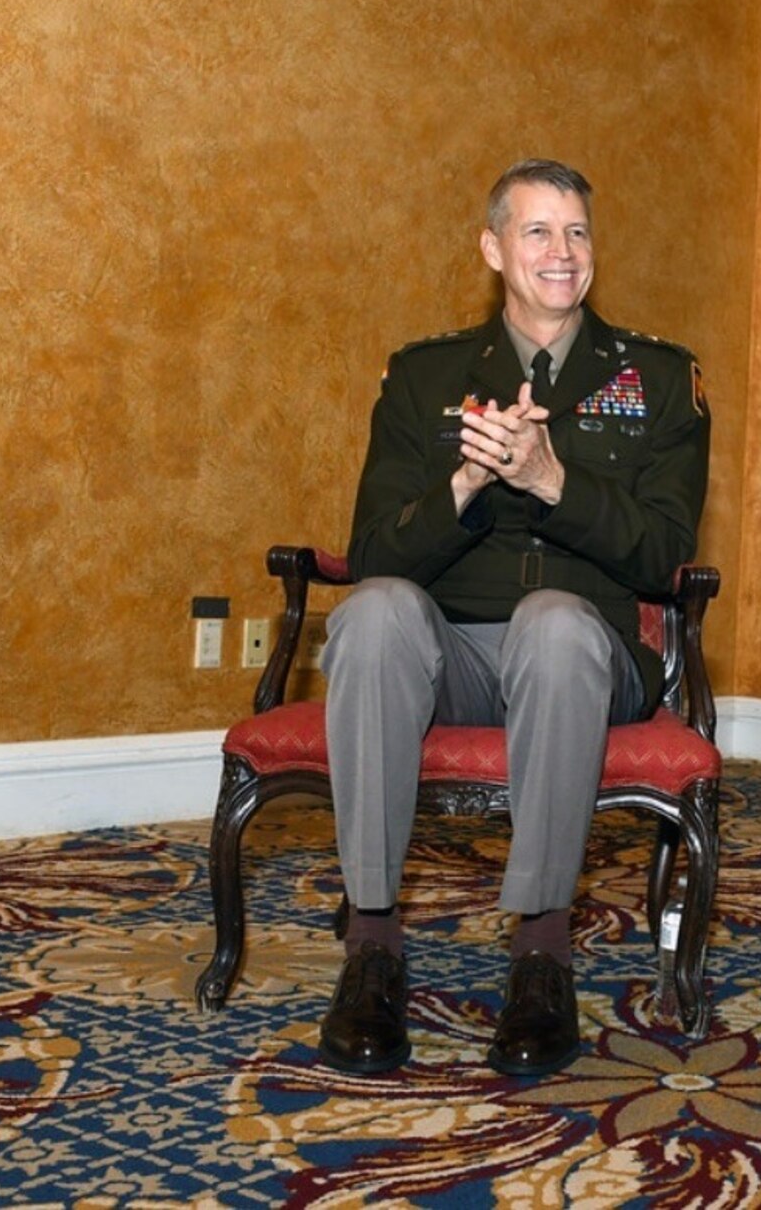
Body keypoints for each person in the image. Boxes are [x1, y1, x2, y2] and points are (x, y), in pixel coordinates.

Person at [316, 158, 710, 1079]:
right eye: (537, 231)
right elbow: (374, 554)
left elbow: (662, 556)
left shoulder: (656, 377)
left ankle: (541, 952)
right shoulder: (427, 377)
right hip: (448, 648)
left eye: (577, 232)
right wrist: (466, 483)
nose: (562, 253)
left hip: (588, 653)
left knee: (555, 620)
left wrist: (552, 480)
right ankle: (371, 942)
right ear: (494, 248)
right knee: (373, 613)